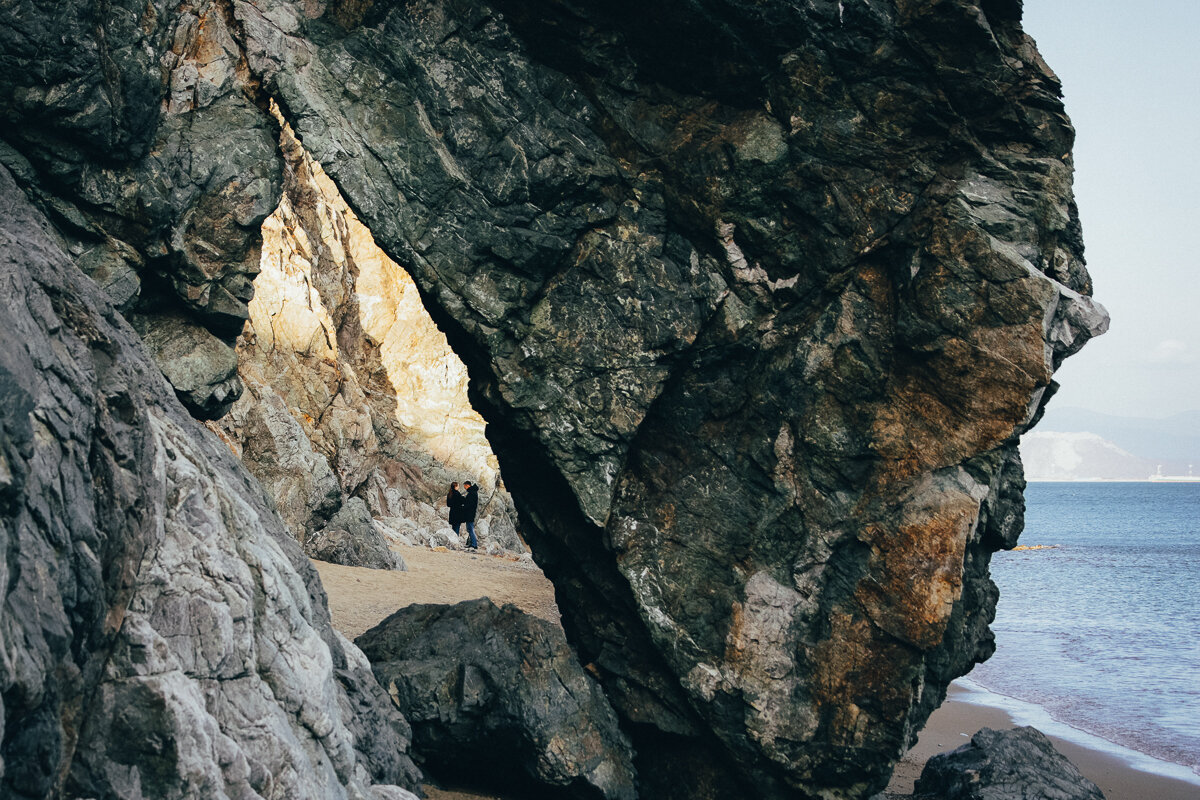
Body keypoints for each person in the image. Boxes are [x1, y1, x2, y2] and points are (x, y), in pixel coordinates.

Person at [461, 481, 480, 549]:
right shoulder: (473, 492)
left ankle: (474, 544)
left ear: (467, 485)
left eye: (465, 486)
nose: (464, 488)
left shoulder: (471, 493)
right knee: (470, 528)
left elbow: (469, 504)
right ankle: (472, 543)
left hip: (470, 513)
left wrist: (463, 507)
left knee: (470, 529)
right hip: (471, 513)